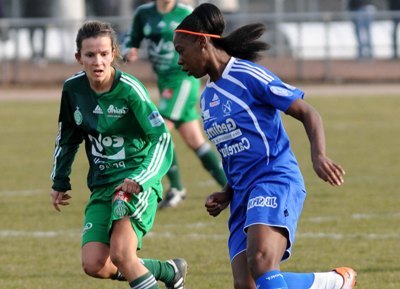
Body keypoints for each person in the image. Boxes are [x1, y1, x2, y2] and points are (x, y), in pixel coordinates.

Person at [173, 3, 356, 289]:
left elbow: (308, 112)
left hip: (273, 179)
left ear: (202, 42)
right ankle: (331, 282)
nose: (179, 60)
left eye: (181, 51)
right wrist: (226, 192)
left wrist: (318, 155)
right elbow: (233, 152)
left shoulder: (247, 75)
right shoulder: (206, 97)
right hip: (241, 194)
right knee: (248, 285)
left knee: (260, 262)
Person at [50, 21, 187, 289]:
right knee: (95, 264)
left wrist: (142, 178)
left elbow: (161, 137)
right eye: (89, 55)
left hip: (133, 183)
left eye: (103, 54)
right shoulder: (73, 90)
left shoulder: (130, 90)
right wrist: (60, 181)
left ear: (113, 53)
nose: (97, 61)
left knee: (123, 254)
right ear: (78, 57)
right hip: (102, 185)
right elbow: (67, 137)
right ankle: (168, 271)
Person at [123, 0, 227, 209]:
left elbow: (206, 41)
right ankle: (232, 188)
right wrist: (129, 50)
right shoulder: (143, 13)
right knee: (195, 141)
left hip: (184, 79)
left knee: (158, 131)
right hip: (164, 82)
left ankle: (177, 188)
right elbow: (130, 38)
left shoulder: (185, 12)